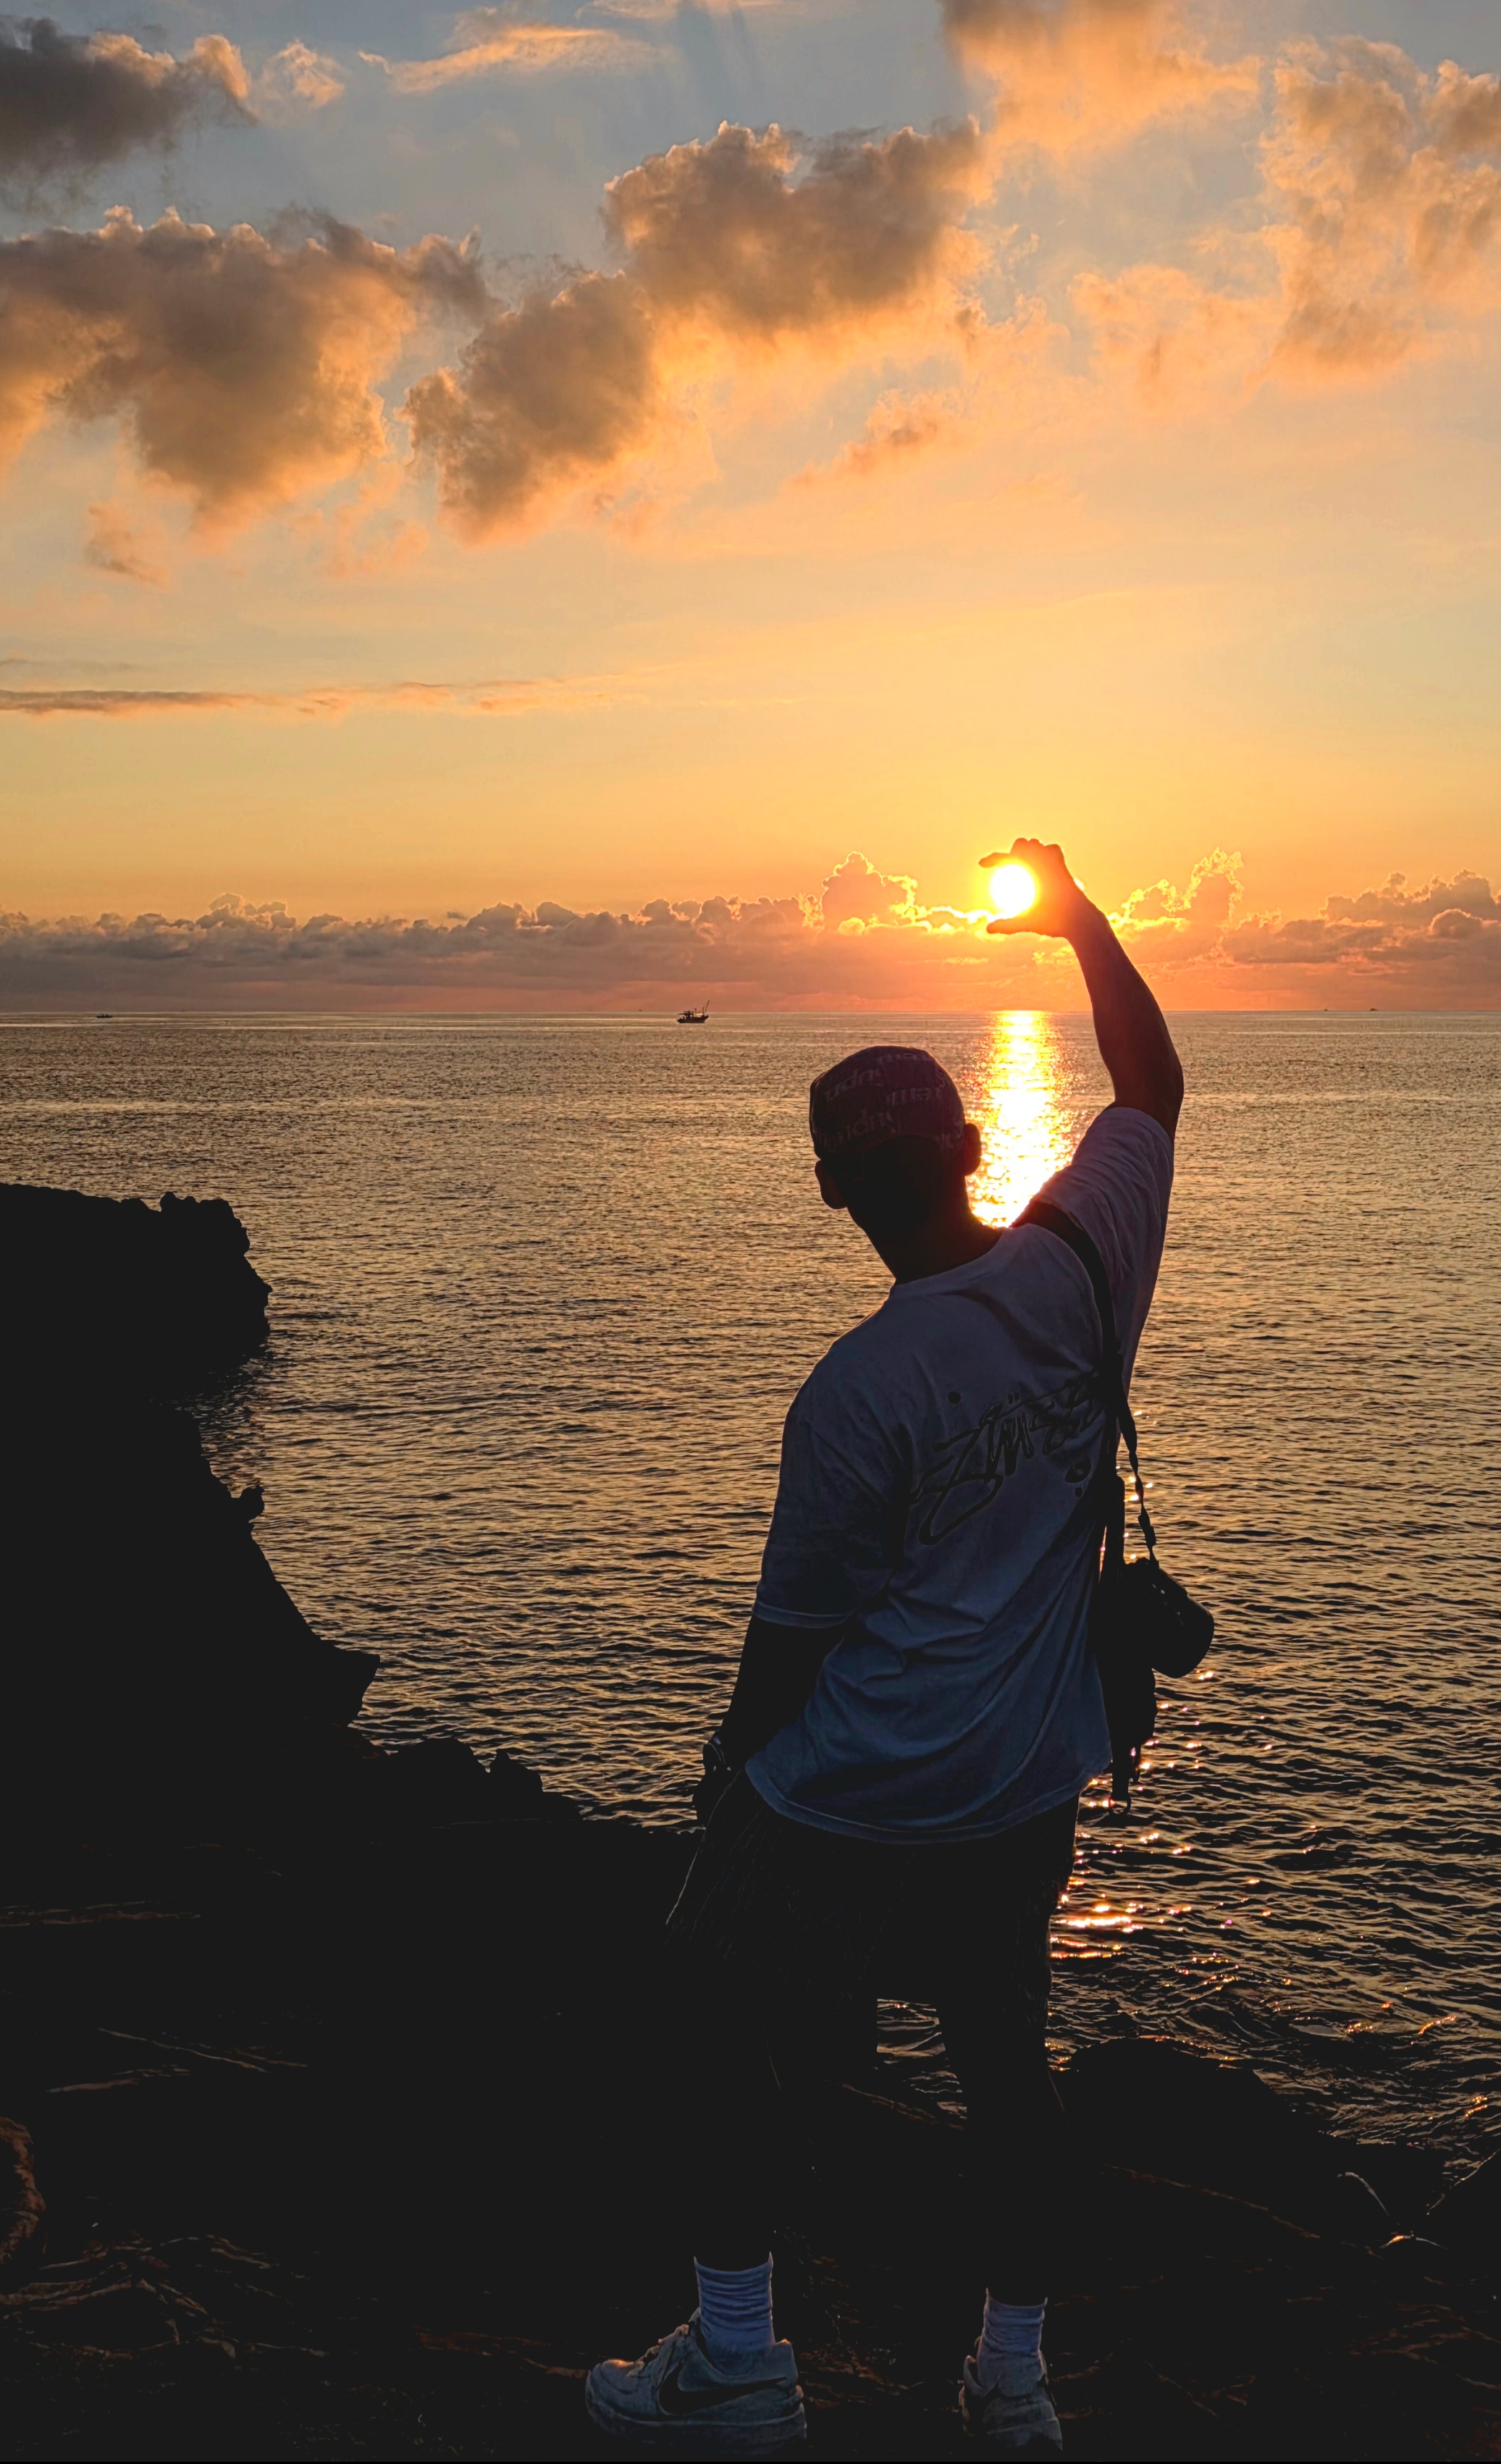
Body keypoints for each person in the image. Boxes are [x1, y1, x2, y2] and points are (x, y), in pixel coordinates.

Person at [585, 838, 1184, 2458]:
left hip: (847, 1790)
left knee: (709, 2022)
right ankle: (1012, 2382)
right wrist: (1077, 917)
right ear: (972, 1144)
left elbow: (790, 1649)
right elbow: (1151, 1081)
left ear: (833, 1192)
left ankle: (740, 2362)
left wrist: (726, 1772)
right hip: (1020, 1780)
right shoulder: (1088, 1266)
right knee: (1004, 2068)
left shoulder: (855, 1394)